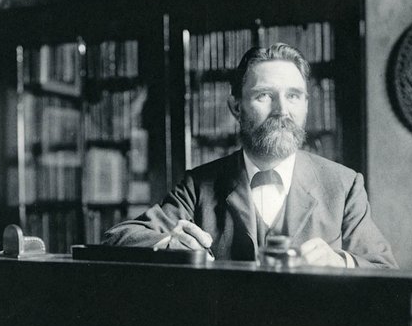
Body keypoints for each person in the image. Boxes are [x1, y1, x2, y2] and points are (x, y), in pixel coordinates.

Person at [104, 43, 397, 268]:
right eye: (264, 95)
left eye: (293, 96)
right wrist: (169, 242)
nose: (282, 111)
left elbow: (384, 270)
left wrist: (342, 261)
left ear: (306, 104)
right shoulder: (198, 186)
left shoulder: (344, 185)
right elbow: (118, 237)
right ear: (236, 107)